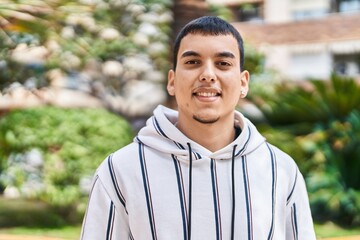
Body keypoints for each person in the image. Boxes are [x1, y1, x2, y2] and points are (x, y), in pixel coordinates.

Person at [80, 16, 316, 239]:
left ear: (243, 82)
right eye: (193, 62)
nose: (208, 75)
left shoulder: (280, 170)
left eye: (223, 63)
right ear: (172, 81)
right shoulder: (120, 170)